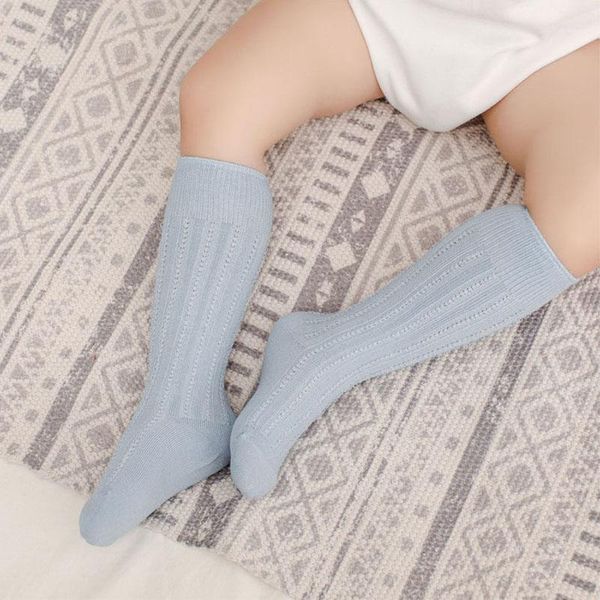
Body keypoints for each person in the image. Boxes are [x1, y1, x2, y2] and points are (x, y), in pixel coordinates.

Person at [79, 0, 599, 545]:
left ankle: (331, 353)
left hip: (557, 42)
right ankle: (179, 404)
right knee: (221, 98)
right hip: (374, 11)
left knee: (585, 213)